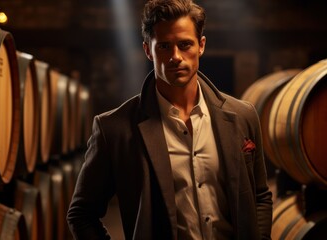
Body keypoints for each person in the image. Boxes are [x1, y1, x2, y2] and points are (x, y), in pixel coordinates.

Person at [67, 0, 273, 239]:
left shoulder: (242, 115)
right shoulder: (114, 128)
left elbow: (260, 196)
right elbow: (82, 214)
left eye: (185, 44)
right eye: (164, 46)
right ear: (147, 50)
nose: (176, 57)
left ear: (201, 46)